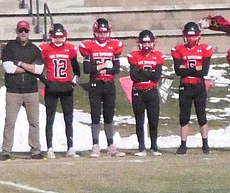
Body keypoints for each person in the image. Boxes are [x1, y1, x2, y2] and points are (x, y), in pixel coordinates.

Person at [78, 17, 125, 157]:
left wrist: (100, 69)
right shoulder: (88, 46)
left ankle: (111, 145)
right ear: (95, 32)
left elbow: (116, 68)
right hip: (95, 84)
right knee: (95, 115)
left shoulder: (114, 46)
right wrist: (103, 66)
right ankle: (95, 145)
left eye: (105, 33)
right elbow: (87, 68)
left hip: (109, 84)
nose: (102, 36)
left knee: (109, 115)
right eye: (100, 33)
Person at [1, 20, 45, 160]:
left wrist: (20, 64)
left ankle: (35, 150)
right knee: (10, 122)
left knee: (34, 122)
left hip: (31, 91)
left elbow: (38, 69)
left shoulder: (34, 49)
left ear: (29, 32)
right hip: (13, 91)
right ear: (17, 31)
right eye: (21, 31)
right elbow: (9, 68)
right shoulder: (9, 47)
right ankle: (6, 150)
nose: (23, 33)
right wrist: (29, 67)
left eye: (25, 31)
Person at [171, 21, 214, 155]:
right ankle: (183, 145)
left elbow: (204, 71)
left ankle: (205, 144)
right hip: (185, 86)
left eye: (193, 36)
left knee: (202, 115)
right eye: (189, 36)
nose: (191, 39)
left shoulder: (204, 49)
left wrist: (187, 69)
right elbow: (178, 71)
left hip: (199, 85)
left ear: (198, 36)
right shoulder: (178, 49)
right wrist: (196, 68)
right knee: (184, 117)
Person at [39, 23, 80, 158]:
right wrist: (46, 82)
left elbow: (77, 70)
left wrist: (73, 82)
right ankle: (50, 147)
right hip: (52, 88)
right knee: (50, 119)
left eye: (61, 37)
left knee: (69, 119)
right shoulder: (45, 49)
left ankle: (70, 147)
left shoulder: (69, 49)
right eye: (55, 37)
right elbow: (38, 69)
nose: (58, 40)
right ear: (51, 37)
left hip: (66, 88)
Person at [129, 29, 165, 156]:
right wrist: (149, 74)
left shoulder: (158, 56)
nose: (147, 45)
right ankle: (141, 147)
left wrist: (142, 72)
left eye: (149, 43)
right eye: (144, 43)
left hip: (152, 91)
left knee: (153, 120)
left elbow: (157, 76)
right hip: (138, 91)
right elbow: (134, 76)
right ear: (139, 43)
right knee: (140, 120)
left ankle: (154, 147)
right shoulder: (134, 56)